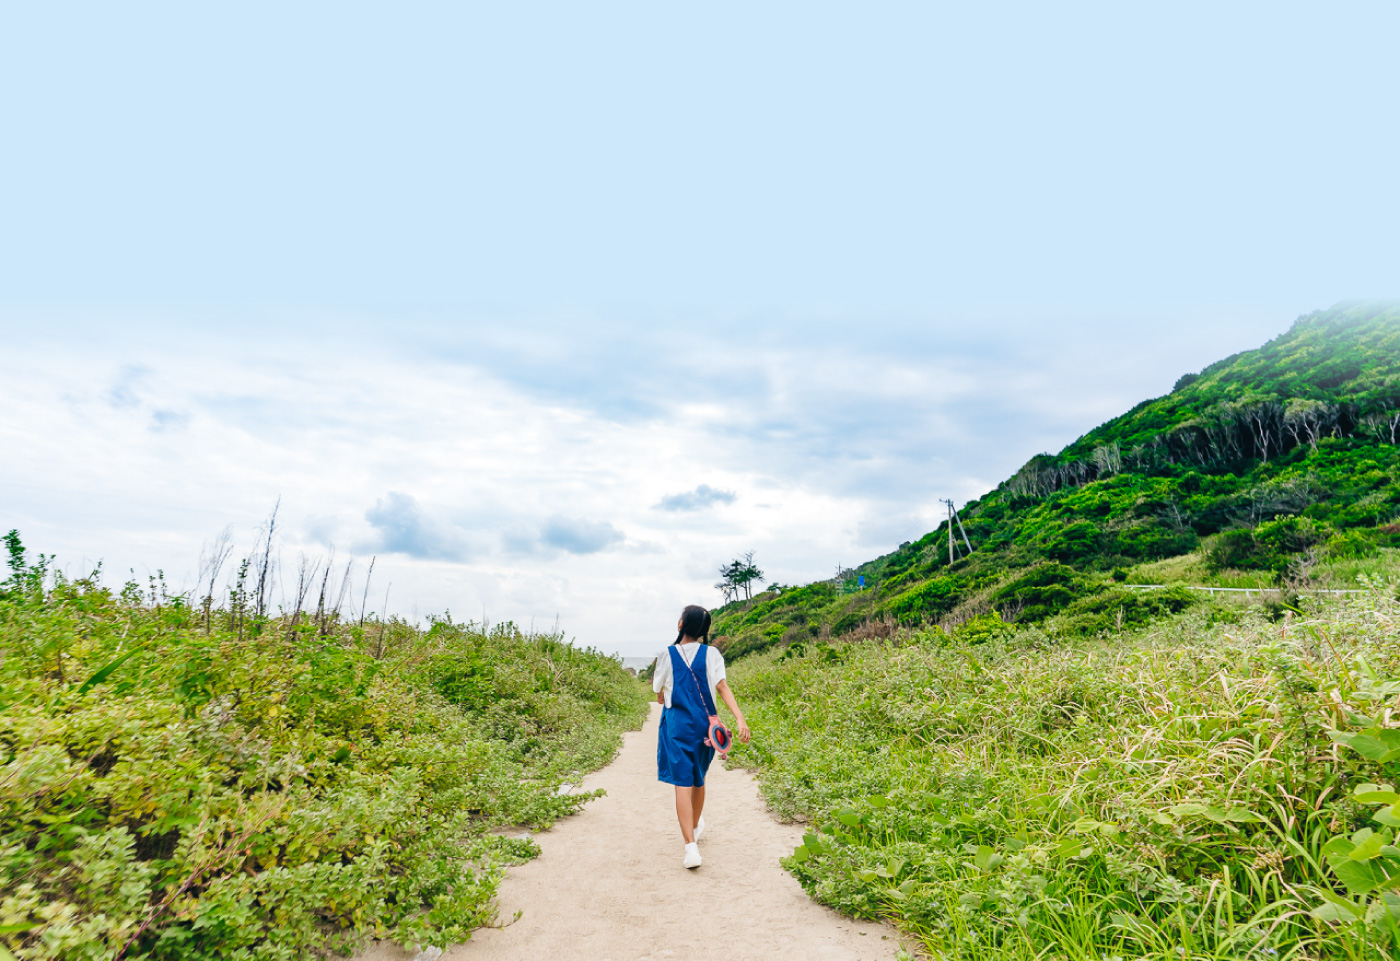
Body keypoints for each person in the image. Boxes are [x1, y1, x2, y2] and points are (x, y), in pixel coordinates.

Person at [653, 604, 750, 869]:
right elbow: (721, 687)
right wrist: (740, 718)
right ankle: (694, 827)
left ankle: (690, 847)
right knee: (698, 778)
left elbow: (659, 691)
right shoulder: (712, 654)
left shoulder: (666, 653)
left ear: (681, 625)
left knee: (681, 782)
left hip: (676, 728)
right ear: (703, 631)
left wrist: (663, 694)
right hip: (705, 728)